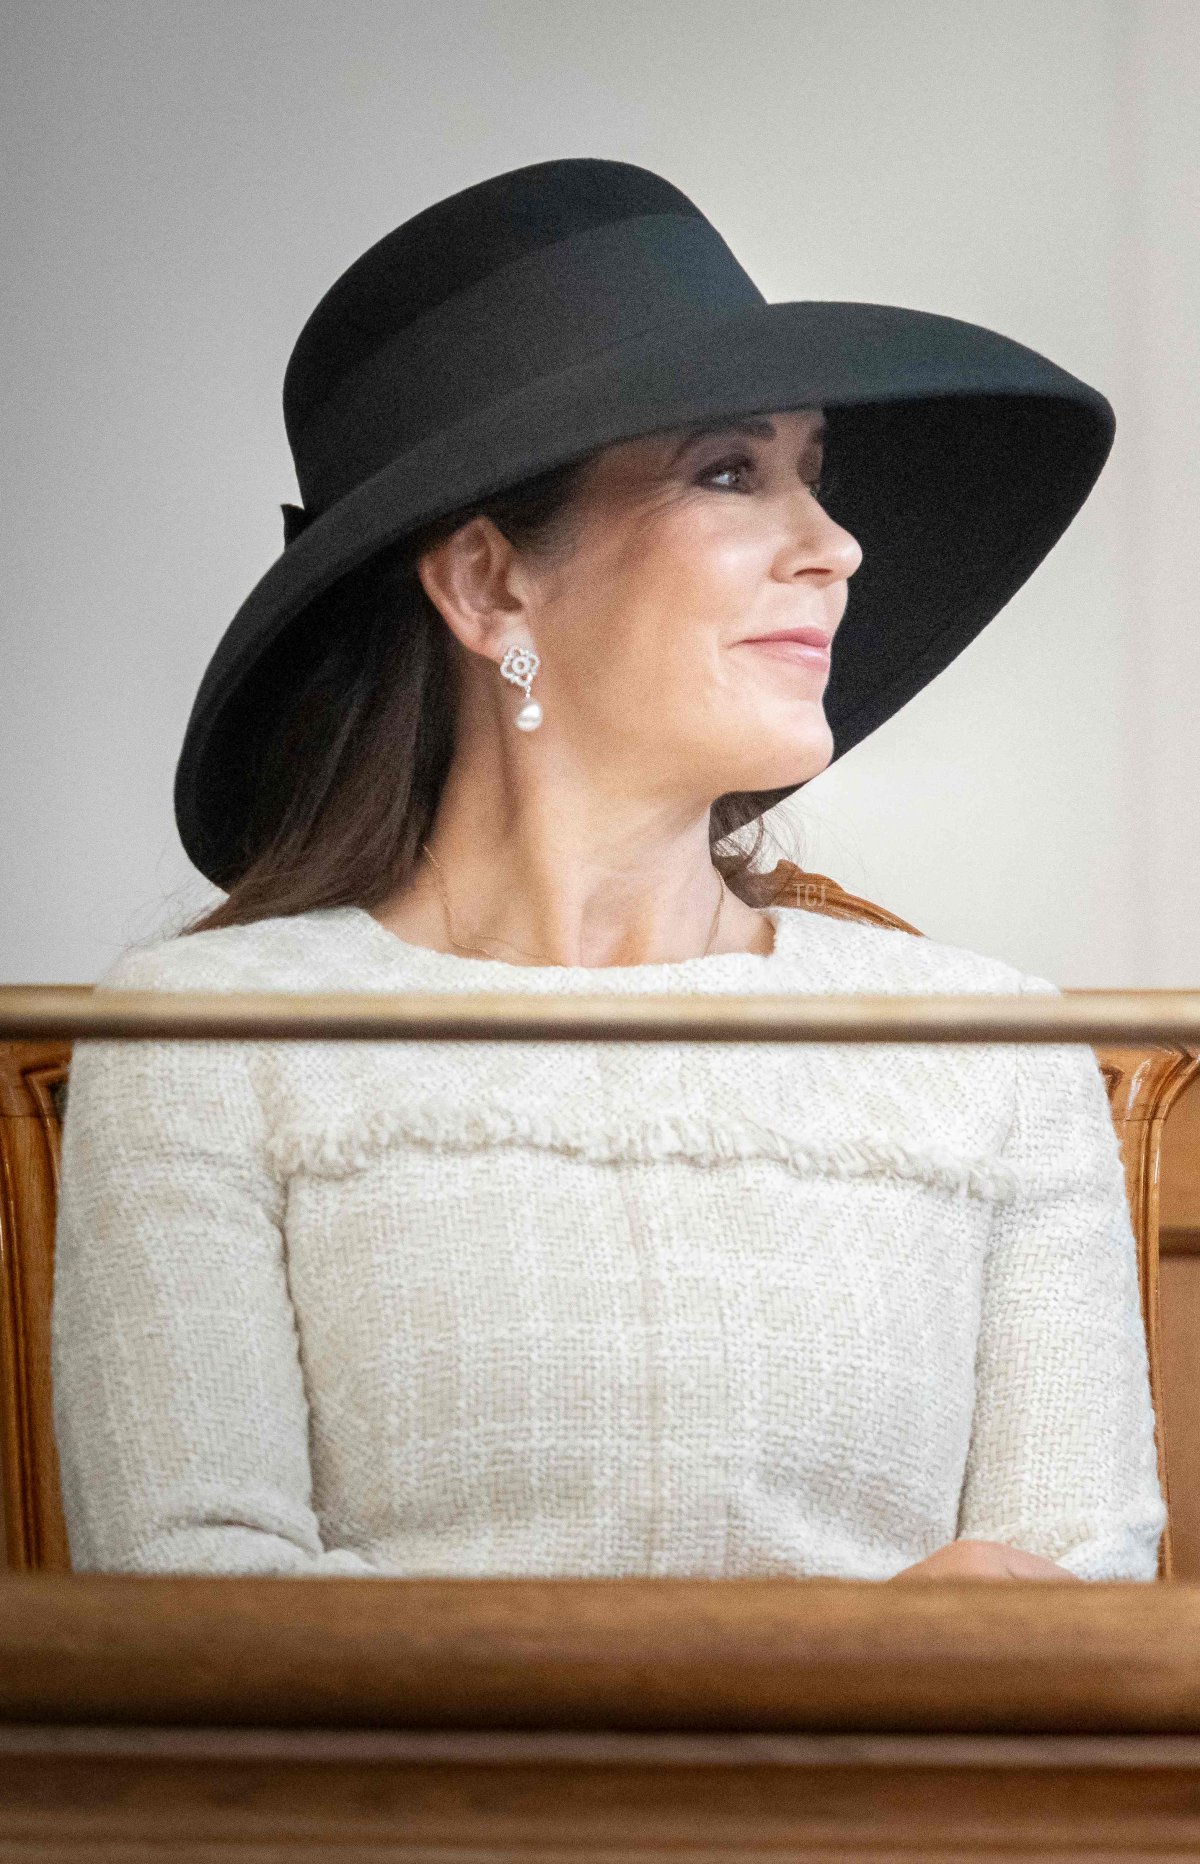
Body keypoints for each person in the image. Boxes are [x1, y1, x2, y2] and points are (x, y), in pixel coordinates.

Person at [50, 157, 1166, 1584]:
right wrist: (821, 1676)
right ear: (488, 584)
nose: (834, 547)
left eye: (811, 476)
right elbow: (196, 1611)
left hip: (884, 1817)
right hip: (388, 1821)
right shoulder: (205, 1044)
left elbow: (1079, 1614)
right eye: (729, 471)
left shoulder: (995, 1057)